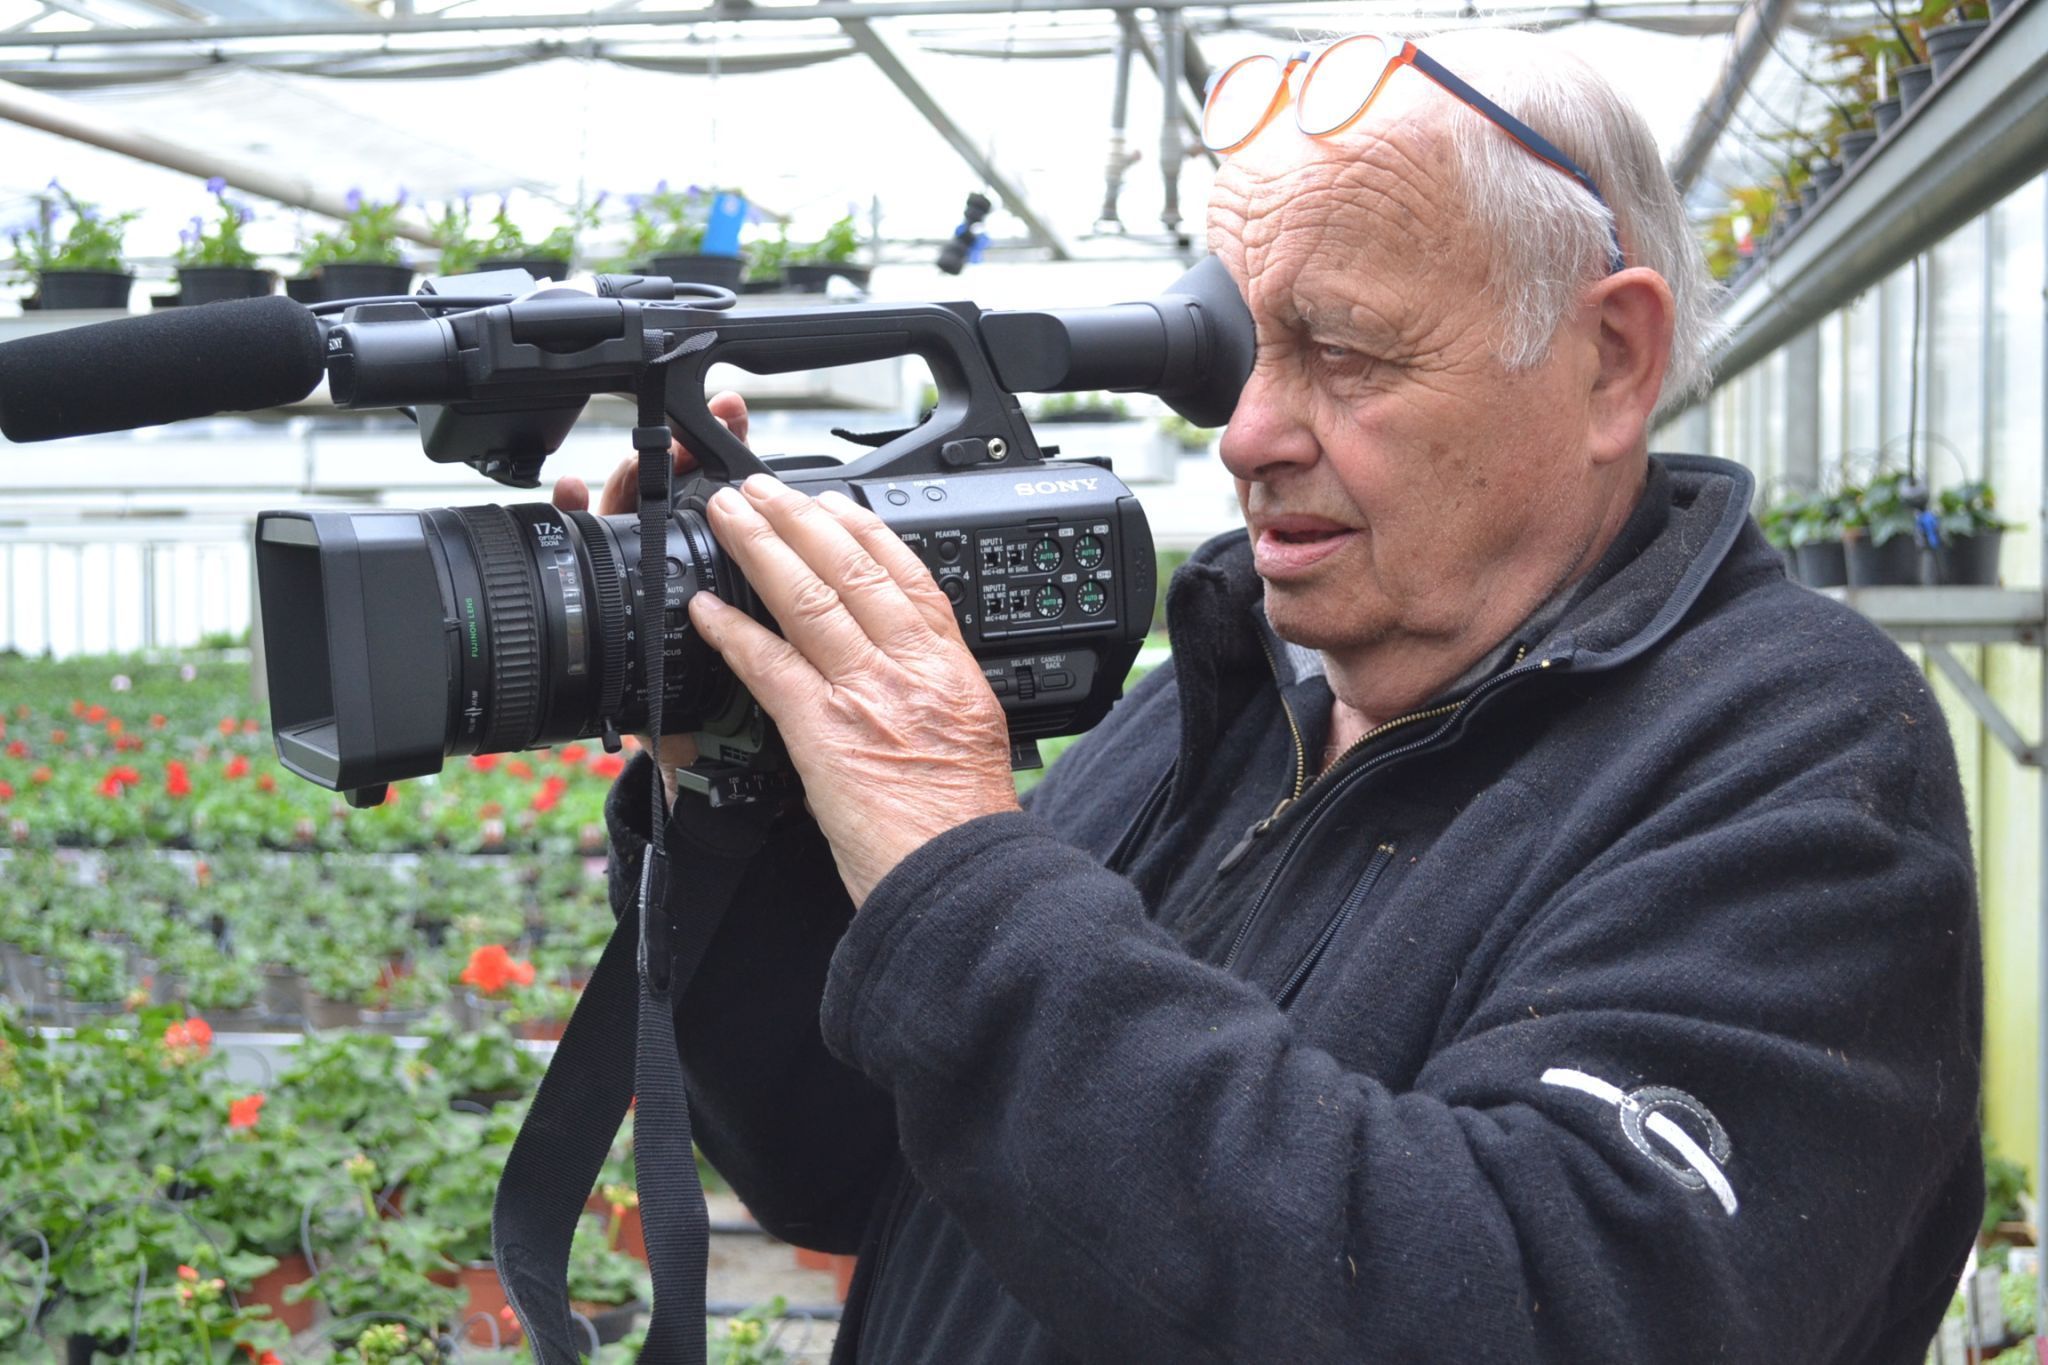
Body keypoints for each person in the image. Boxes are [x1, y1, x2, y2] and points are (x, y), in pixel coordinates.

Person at [552, 27, 1982, 1363]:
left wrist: (954, 860)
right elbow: (848, 1156)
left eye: (1344, 351)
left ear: (1611, 360)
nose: (1244, 433)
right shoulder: (1219, 695)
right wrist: (732, 785)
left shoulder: (1797, 752)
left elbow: (1521, 1298)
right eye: (1238, 353)